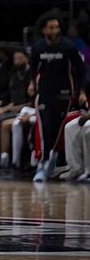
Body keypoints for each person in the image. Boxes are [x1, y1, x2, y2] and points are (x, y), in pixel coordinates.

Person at [30, 11, 87, 182]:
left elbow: (81, 70)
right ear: (44, 30)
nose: (55, 30)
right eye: (51, 27)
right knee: (45, 127)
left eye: (57, 27)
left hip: (64, 94)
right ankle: (43, 163)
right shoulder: (38, 47)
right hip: (44, 94)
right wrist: (32, 84)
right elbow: (33, 69)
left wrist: (82, 91)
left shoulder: (68, 46)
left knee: (57, 129)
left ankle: (52, 159)